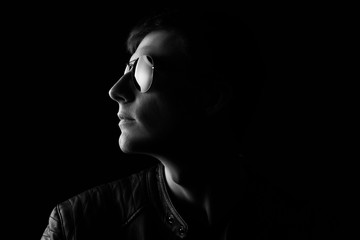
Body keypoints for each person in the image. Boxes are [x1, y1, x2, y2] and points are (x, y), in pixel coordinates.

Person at [41, 8, 335, 240]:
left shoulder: (300, 226)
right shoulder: (77, 226)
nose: (115, 90)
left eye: (143, 70)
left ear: (211, 97)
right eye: (125, 70)